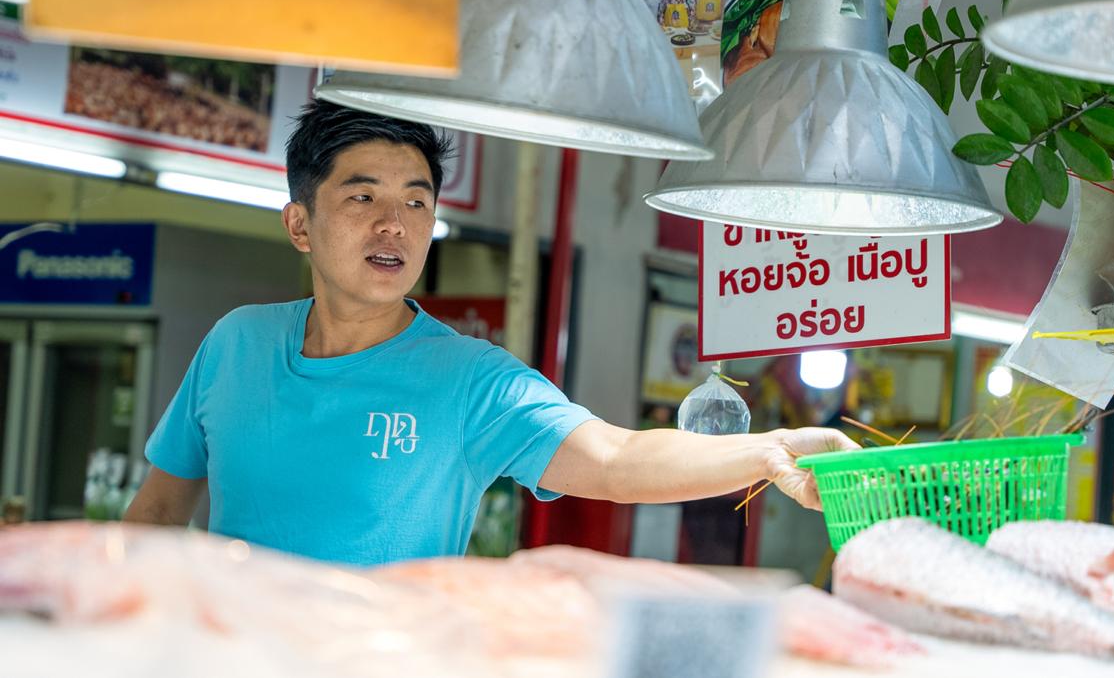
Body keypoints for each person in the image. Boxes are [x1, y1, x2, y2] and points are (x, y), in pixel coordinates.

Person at [124, 100, 857, 566]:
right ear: (299, 224)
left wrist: (772, 451)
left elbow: (614, 458)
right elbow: (158, 512)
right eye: (363, 196)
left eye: (416, 201)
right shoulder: (235, 344)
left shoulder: (469, 379)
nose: (395, 224)